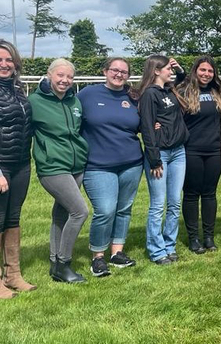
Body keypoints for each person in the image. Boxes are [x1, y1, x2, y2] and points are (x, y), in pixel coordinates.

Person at [78, 58, 143, 277]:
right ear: (105, 71)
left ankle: (117, 252)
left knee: (124, 209)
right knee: (105, 210)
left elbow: (144, 122)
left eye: (124, 71)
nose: (119, 74)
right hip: (98, 165)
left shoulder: (134, 97)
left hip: (132, 163)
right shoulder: (88, 94)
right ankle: (98, 256)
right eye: (114, 70)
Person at [29, 59, 89, 283]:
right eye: (60, 75)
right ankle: (65, 263)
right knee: (80, 211)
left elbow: (78, 130)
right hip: (52, 167)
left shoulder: (75, 101)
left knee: (61, 213)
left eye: (69, 77)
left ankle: (55, 263)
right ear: (49, 75)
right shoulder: (34, 101)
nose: (65, 80)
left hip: (76, 165)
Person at [136, 55, 189, 265]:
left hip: (178, 153)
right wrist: (155, 158)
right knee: (158, 204)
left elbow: (183, 77)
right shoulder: (150, 94)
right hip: (160, 155)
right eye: (168, 68)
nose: (171, 71)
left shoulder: (169, 89)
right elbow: (147, 127)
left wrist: (177, 66)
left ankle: (170, 245)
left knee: (175, 203)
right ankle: (157, 250)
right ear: (156, 70)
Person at [0, 39, 35, 298]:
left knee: (13, 218)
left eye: (8, 60)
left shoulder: (18, 90)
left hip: (21, 162)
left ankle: (13, 274)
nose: (4, 64)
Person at [175, 56, 221, 254]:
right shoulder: (184, 92)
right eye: (202, 70)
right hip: (191, 150)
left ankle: (209, 237)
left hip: (214, 151)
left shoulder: (217, 92)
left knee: (210, 194)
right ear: (195, 71)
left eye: (210, 71)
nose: (206, 74)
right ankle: (194, 238)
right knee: (192, 194)